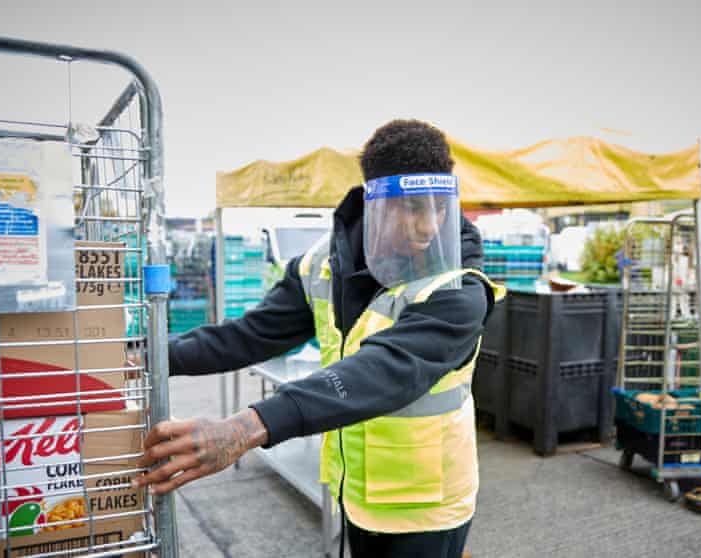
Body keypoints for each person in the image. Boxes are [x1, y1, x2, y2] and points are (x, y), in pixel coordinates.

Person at [135, 119, 501, 558]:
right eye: (412, 208)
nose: (428, 225)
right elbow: (250, 335)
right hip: (357, 492)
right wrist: (147, 358)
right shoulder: (321, 266)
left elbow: (385, 371)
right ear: (375, 203)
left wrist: (244, 427)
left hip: (427, 504)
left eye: (438, 207)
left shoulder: (459, 287)